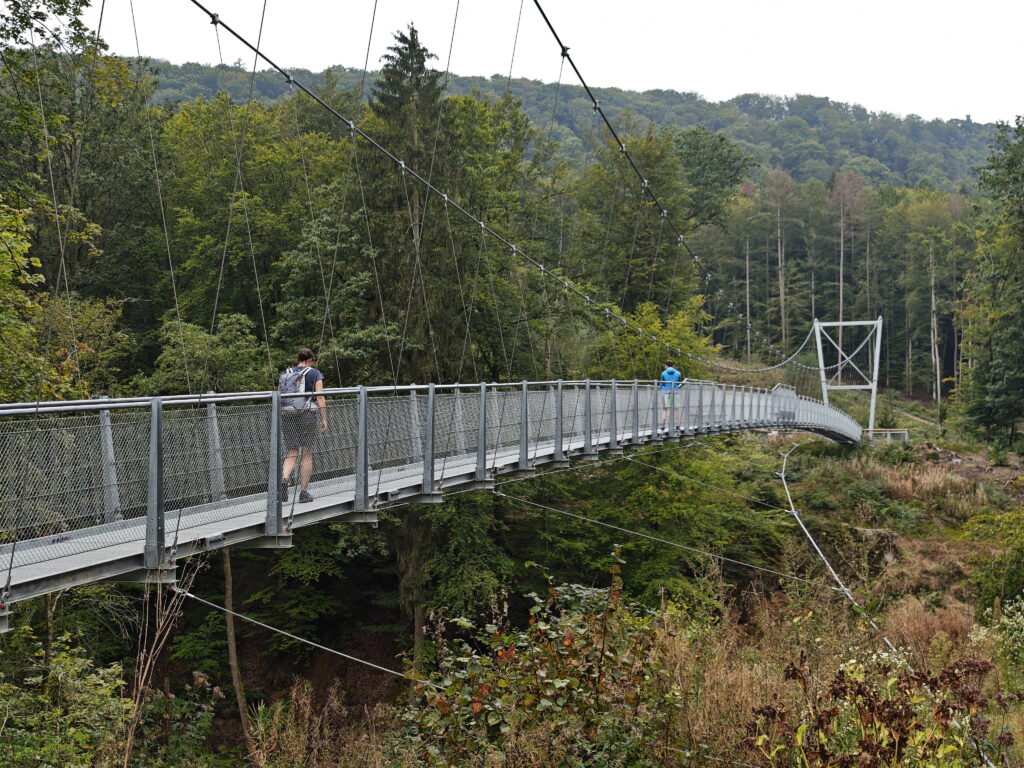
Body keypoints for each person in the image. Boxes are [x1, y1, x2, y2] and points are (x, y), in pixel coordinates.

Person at [279, 348, 326, 503]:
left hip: (287, 413)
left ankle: (284, 480)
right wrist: (323, 418)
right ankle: (304, 492)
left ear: (297, 359)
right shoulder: (315, 373)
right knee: (307, 452)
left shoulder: (286, 372)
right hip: (307, 414)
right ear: (310, 360)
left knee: (292, 452)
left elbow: (279, 395)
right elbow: (319, 396)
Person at [659, 359, 682, 432]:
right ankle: (678, 426)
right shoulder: (678, 373)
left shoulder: (663, 373)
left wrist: (662, 390)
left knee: (666, 409)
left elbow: (662, 384)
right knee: (676, 409)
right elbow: (678, 383)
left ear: (666, 365)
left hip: (666, 392)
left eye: (665, 366)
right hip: (675, 391)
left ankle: (663, 425)